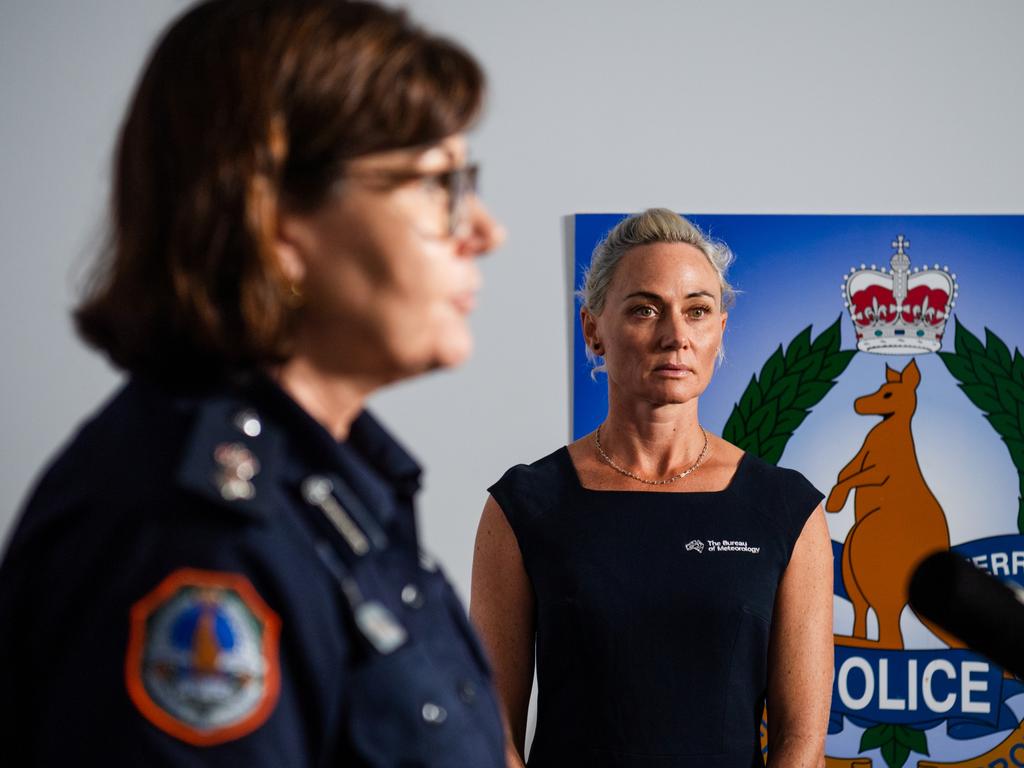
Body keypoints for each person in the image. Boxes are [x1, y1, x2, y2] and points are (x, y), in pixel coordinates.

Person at [0, 1, 509, 765]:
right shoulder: (196, 534)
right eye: (439, 186)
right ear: (274, 217)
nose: (484, 231)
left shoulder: (343, 488)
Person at [470, 209, 834, 768]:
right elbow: (490, 737)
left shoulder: (786, 509)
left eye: (698, 311)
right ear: (594, 329)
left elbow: (801, 744)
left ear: (720, 331)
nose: (676, 336)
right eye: (645, 309)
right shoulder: (524, 506)